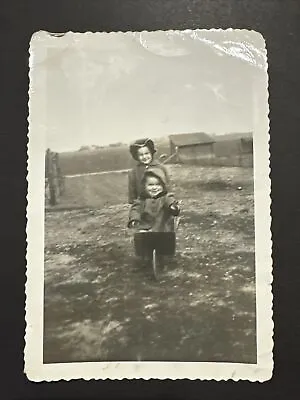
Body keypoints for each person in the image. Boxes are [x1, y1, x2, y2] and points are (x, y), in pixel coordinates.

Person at [128, 167, 180, 232]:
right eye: (150, 185)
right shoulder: (142, 199)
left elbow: (170, 200)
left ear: (163, 186)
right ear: (144, 186)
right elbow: (136, 209)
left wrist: (172, 206)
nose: (154, 188)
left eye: (158, 185)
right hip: (145, 229)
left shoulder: (165, 197)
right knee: (142, 237)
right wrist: (134, 219)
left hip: (163, 230)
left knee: (165, 240)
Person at [128, 138, 170, 204]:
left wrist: (169, 200)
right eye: (141, 155)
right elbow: (132, 188)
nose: (144, 157)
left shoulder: (161, 167)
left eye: (147, 153)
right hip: (143, 203)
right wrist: (133, 201)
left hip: (161, 202)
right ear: (136, 156)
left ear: (151, 153)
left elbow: (167, 185)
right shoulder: (134, 172)